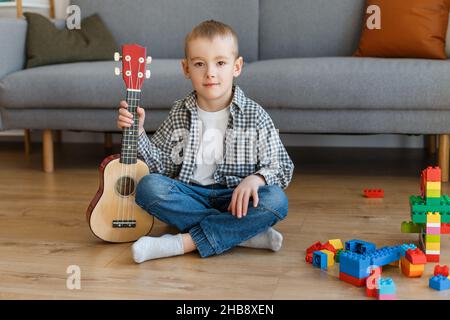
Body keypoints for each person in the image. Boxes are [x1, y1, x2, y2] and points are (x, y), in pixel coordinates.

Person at [117, 20, 294, 263]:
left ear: (237, 66)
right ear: (186, 68)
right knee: (148, 187)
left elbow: (282, 166)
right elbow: (160, 167)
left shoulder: (254, 115)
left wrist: (258, 178)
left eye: (220, 63)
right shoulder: (180, 112)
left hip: (236, 199)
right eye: (199, 64)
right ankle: (241, 234)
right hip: (191, 195)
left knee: (276, 201)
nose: (210, 72)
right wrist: (138, 134)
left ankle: (181, 243)